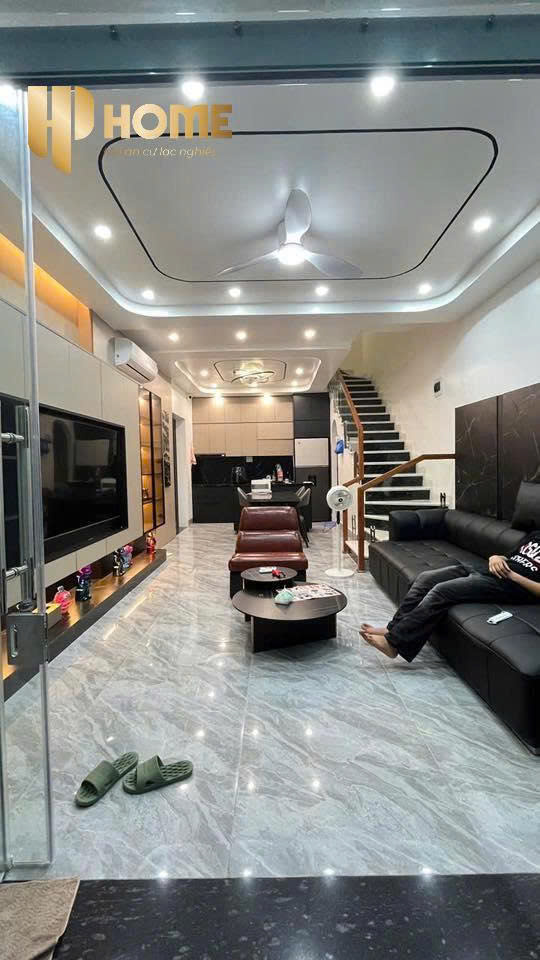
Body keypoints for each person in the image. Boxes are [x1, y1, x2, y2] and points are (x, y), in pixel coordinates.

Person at [361, 529, 540, 662]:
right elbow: (509, 557)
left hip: (511, 586)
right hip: (489, 570)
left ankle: (394, 644)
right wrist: (495, 557)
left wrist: (513, 576)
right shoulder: (535, 535)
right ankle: (393, 628)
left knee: (442, 591)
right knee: (425, 578)